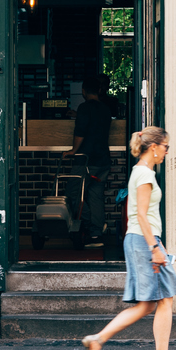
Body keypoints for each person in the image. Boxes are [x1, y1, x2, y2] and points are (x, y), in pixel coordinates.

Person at [81, 126, 176, 350]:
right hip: (143, 241)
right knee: (165, 299)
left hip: (143, 240)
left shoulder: (142, 172)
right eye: (165, 147)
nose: (166, 152)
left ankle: (98, 339)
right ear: (154, 147)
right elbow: (140, 215)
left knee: (149, 304)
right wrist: (155, 248)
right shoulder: (145, 175)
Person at [64, 76, 113, 246]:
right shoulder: (106, 109)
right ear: (99, 91)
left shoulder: (84, 108)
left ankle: (82, 227)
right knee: (95, 196)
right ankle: (96, 234)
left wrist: (73, 151)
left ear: (83, 91)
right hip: (103, 161)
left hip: (86, 160)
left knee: (73, 194)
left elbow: (81, 132)